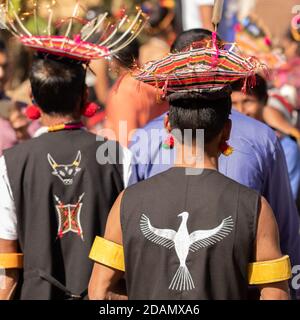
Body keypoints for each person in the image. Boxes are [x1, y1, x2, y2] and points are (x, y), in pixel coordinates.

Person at [88, 46, 291, 299]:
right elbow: (277, 295)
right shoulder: (255, 209)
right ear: (227, 131)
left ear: (167, 127)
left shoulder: (126, 203)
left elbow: (98, 292)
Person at [0, 4, 143, 300]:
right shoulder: (119, 156)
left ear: (33, 100)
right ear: (84, 96)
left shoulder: (10, 164)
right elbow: (133, 242)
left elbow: (7, 258)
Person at [231, 74, 300, 200]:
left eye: (247, 101)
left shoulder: (286, 147)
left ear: (265, 100)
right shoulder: (222, 142)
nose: (241, 110)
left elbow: (284, 201)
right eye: (234, 103)